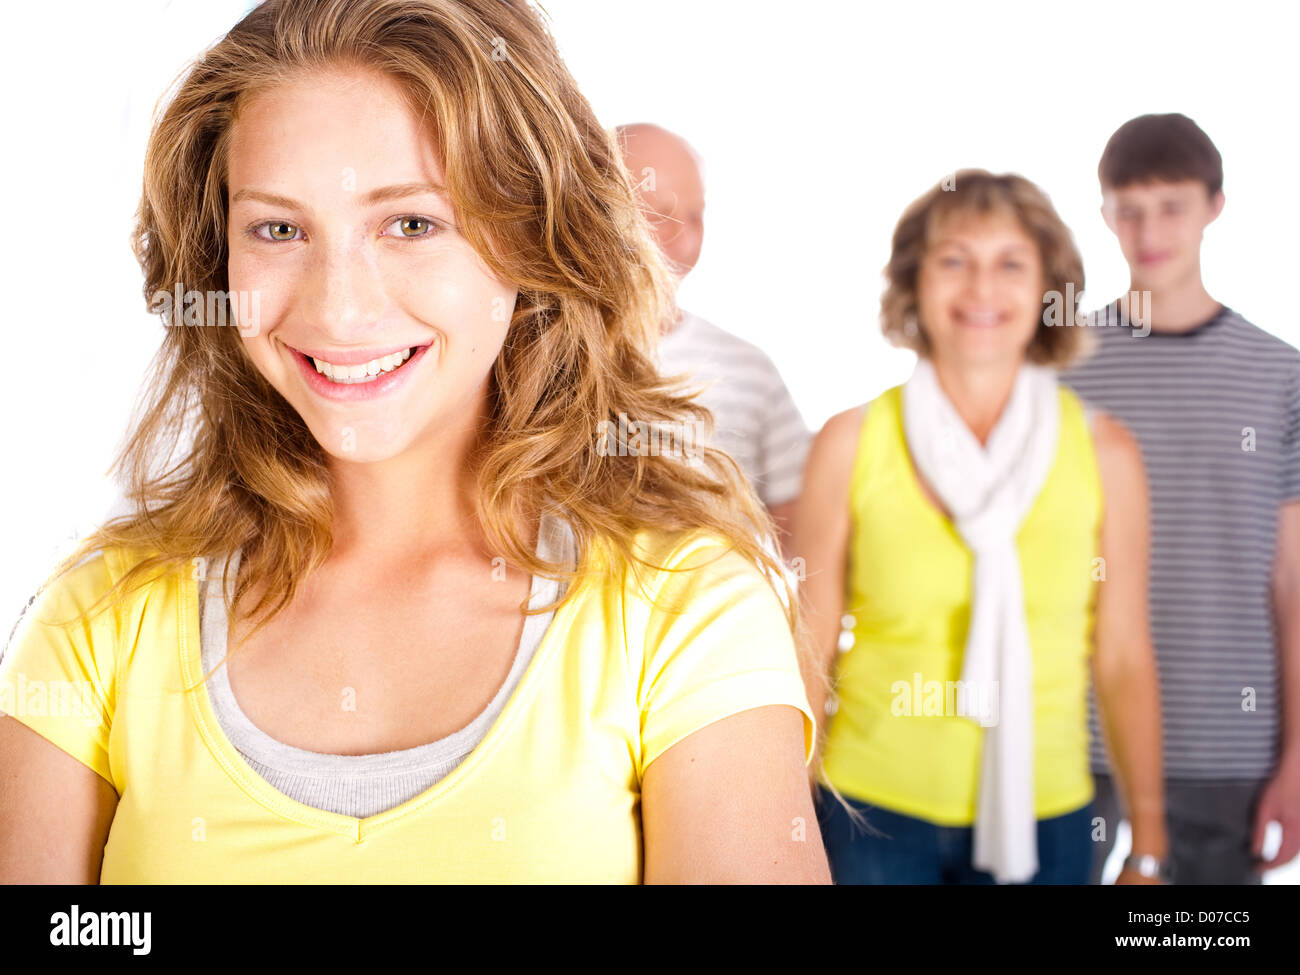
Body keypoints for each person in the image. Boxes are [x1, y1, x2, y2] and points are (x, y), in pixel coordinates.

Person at [0, 0, 827, 884]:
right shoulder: (97, 619)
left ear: (533, 238)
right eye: (278, 229)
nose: (339, 308)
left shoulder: (686, 614)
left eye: (412, 224)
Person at [794, 170, 1167, 884]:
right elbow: (810, 639)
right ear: (914, 281)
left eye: (1010, 264)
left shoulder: (1107, 453)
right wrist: (788, 807)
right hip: (867, 811)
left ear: (1048, 288)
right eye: (954, 260)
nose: (981, 289)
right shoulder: (851, 441)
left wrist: (1146, 843)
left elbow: (1123, 655)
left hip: (1048, 815)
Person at [1063, 113, 1300, 884]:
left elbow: (1292, 583)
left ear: (1214, 206)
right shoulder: (1061, 369)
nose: (1148, 230)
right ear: (1103, 215)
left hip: (1225, 748)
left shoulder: (1280, 375)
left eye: (1172, 205)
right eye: (1128, 208)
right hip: (1069, 735)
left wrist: (1298, 756)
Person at [617, 122, 810, 549]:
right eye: (656, 214)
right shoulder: (539, 359)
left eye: (695, 216)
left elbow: (800, 523)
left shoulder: (749, 370)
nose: (682, 240)